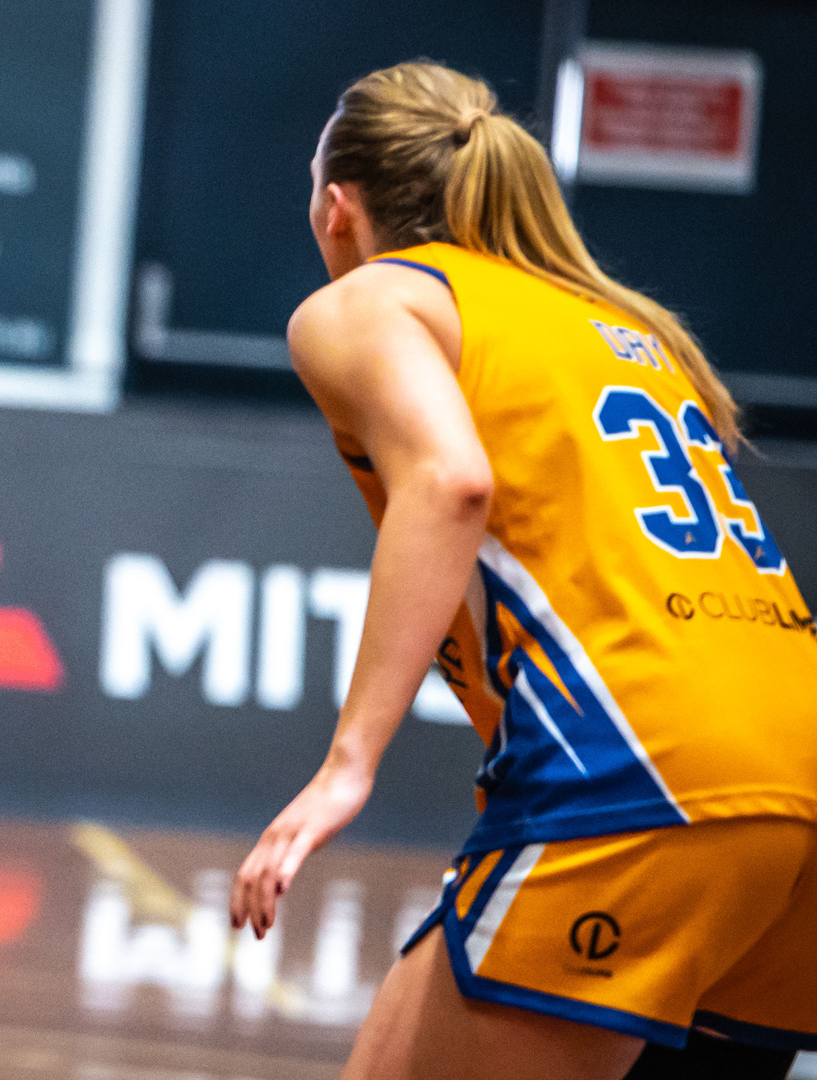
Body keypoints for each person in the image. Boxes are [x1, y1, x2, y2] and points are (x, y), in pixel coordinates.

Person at [228, 62, 817, 1080]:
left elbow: (451, 481)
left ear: (337, 209)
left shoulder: (368, 302)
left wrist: (347, 764)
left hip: (648, 765)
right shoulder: (624, 326)